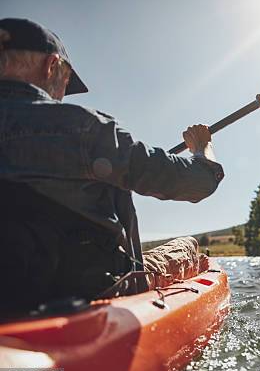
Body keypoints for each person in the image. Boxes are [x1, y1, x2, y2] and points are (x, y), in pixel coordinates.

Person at [0, 18, 224, 312]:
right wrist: (202, 148)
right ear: (51, 66)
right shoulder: (87, 130)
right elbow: (199, 183)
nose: (63, 93)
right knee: (189, 245)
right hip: (97, 294)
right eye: (66, 81)